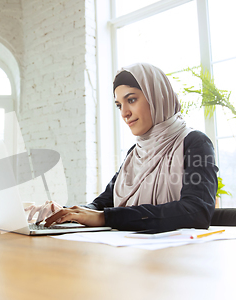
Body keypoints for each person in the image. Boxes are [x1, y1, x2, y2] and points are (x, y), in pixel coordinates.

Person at [27, 63, 218, 233]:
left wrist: (105, 217)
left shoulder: (195, 143)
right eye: (119, 105)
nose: (125, 113)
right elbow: (102, 204)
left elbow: (196, 212)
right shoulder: (135, 154)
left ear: (157, 96)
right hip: (131, 256)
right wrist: (66, 212)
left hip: (178, 261)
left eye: (132, 100)